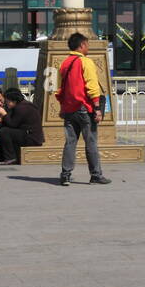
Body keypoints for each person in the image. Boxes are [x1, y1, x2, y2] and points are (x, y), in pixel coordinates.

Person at [56, 32, 111, 186]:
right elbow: (92, 86)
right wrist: (97, 108)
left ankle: (65, 174)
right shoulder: (85, 62)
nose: (88, 47)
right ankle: (95, 175)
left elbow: (60, 89)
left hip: (69, 109)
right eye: (87, 44)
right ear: (81, 46)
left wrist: (62, 106)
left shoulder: (65, 63)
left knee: (70, 142)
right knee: (91, 142)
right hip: (84, 108)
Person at [0, 88, 44, 164]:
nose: (6, 103)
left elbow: (12, 124)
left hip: (32, 137)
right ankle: (5, 156)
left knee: (4, 131)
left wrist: (4, 114)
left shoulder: (22, 107)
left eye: (7, 101)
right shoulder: (18, 106)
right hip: (24, 133)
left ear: (14, 100)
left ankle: (11, 158)